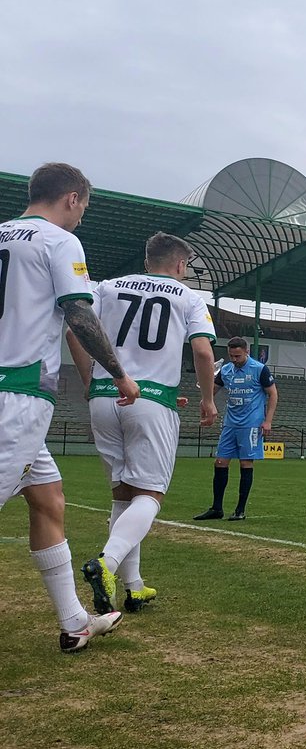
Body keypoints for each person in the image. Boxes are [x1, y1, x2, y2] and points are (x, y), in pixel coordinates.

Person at [0, 162, 140, 651]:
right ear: (73, 198)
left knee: (48, 496)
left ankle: (75, 621)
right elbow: (79, 313)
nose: (82, 217)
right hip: (17, 393)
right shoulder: (59, 242)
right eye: (85, 206)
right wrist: (119, 374)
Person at [67, 232, 218, 616]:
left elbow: (74, 330)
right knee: (150, 494)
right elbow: (202, 349)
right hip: (150, 402)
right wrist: (207, 398)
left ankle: (134, 587)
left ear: (148, 258)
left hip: (107, 394)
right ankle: (108, 563)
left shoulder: (107, 286)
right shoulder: (188, 297)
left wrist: (91, 383)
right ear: (181, 264)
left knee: (123, 493)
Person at [193, 336, 278, 521]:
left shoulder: (259, 369)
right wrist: (205, 396)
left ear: (246, 352)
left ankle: (240, 510)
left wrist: (268, 420)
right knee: (220, 463)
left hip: (251, 423)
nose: (234, 359)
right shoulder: (226, 370)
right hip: (230, 423)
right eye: (231, 355)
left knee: (245, 463)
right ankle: (217, 508)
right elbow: (212, 390)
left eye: (237, 356)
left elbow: (272, 394)